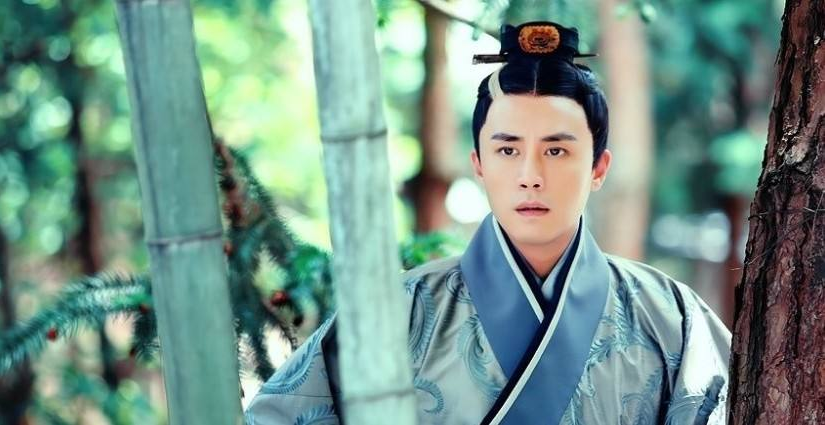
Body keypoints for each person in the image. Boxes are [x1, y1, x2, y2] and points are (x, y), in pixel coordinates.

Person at [245, 21, 731, 425]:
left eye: (556, 151)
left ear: (598, 168)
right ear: (478, 164)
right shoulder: (400, 311)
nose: (530, 175)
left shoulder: (670, 316)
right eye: (508, 150)